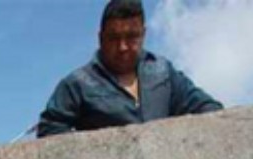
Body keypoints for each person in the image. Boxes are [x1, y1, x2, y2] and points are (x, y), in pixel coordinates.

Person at [36, 0, 222, 138]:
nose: (123, 47)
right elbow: (50, 130)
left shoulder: (163, 71)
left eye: (132, 37)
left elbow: (207, 108)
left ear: (143, 34)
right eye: (114, 38)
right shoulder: (77, 84)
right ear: (100, 38)